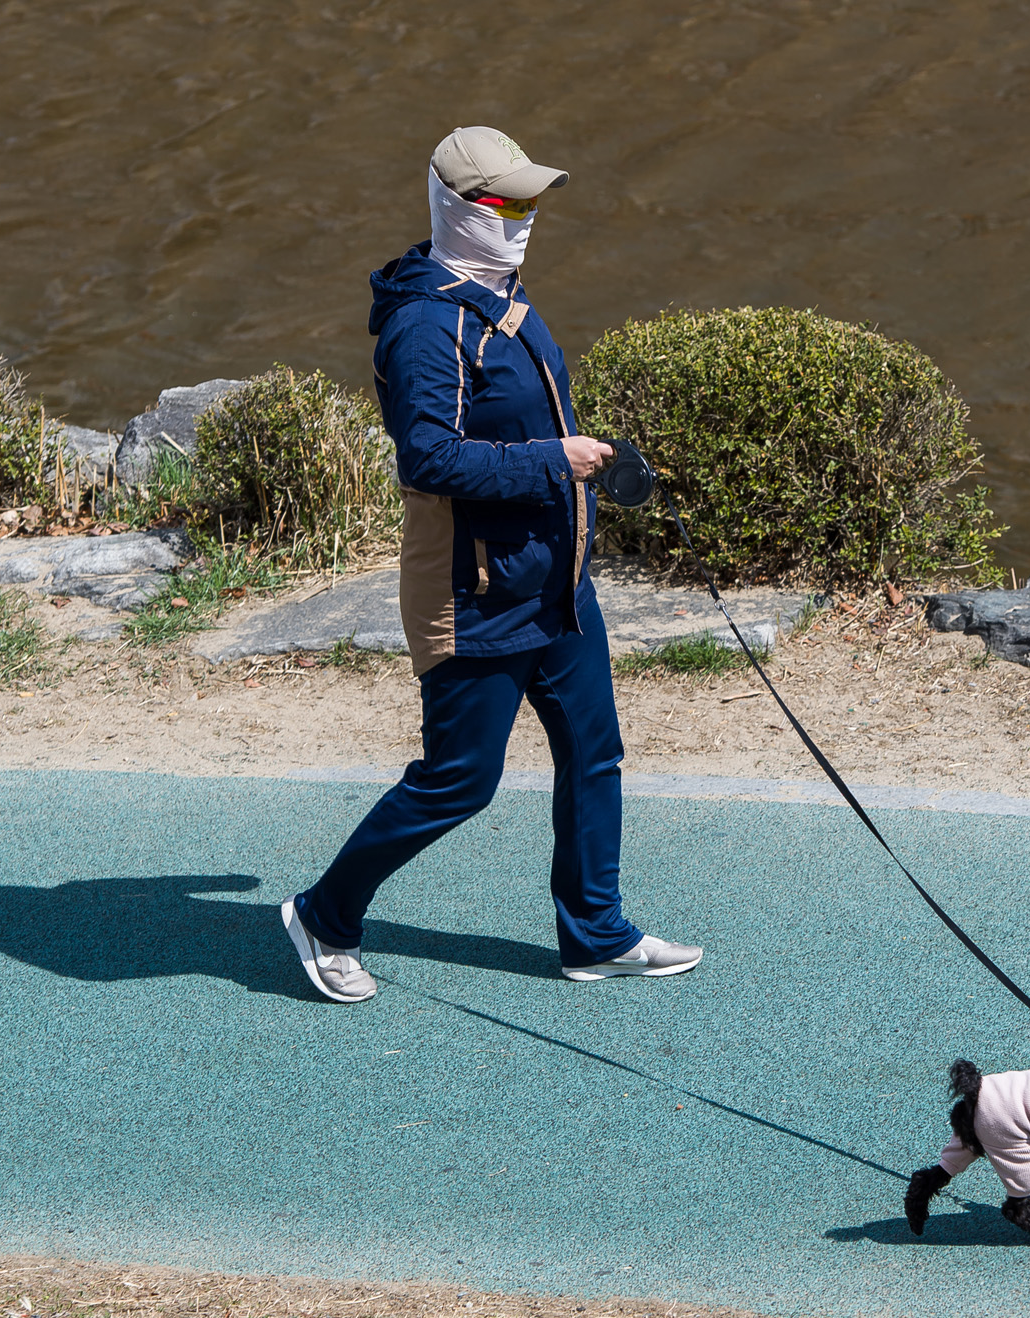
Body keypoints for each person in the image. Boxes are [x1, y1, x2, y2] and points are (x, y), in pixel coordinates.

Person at [280, 126, 702, 1000]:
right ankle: (323, 915)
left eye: (531, 201)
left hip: (554, 584)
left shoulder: (500, 296)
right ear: (451, 205)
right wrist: (559, 459)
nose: (524, 218)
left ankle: (595, 934)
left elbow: (515, 425)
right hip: (473, 595)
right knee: (458, 783)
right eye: (503, 202)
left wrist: (595, 462)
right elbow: (427, 460)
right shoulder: (426, 327)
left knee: (594, 754)